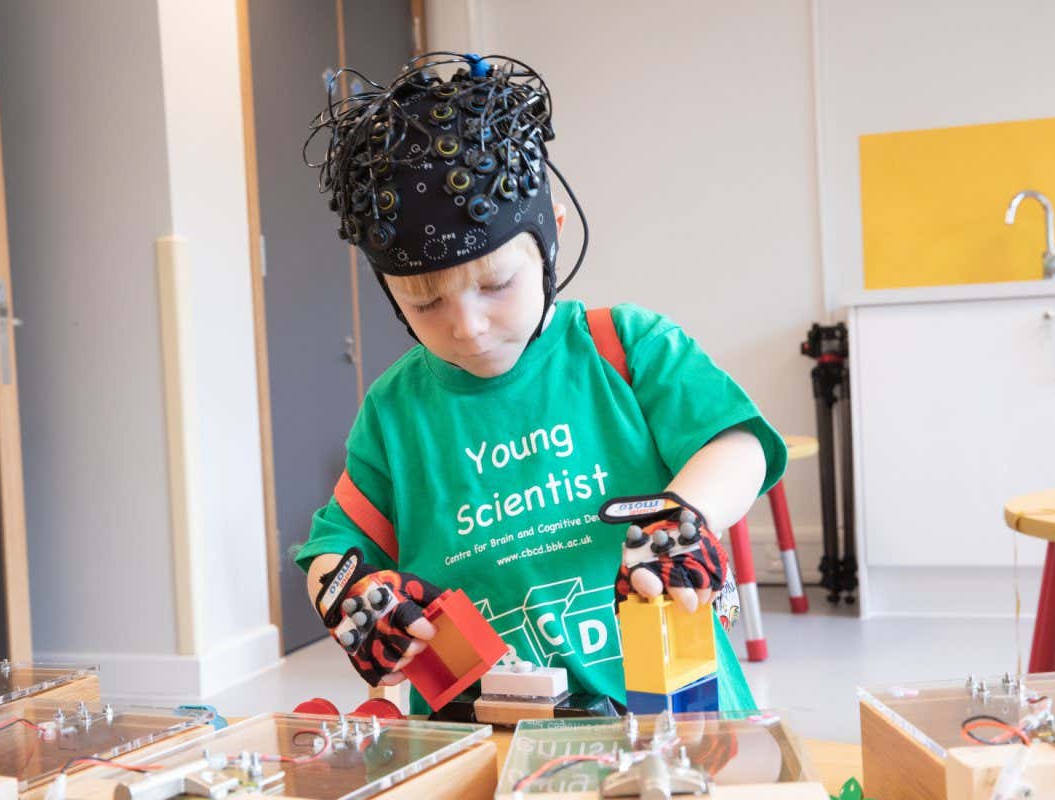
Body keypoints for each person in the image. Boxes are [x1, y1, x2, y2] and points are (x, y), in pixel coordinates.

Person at [296, 53, 786, 714]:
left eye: (497, 285)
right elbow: (335, 551)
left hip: (673, 713)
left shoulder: (627, 347)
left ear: (552, 237)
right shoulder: (395, 413)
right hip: (487, 731)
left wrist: (684, 517)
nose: (467, 327)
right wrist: (353, 601)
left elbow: (738, 445)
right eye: (424, 304)